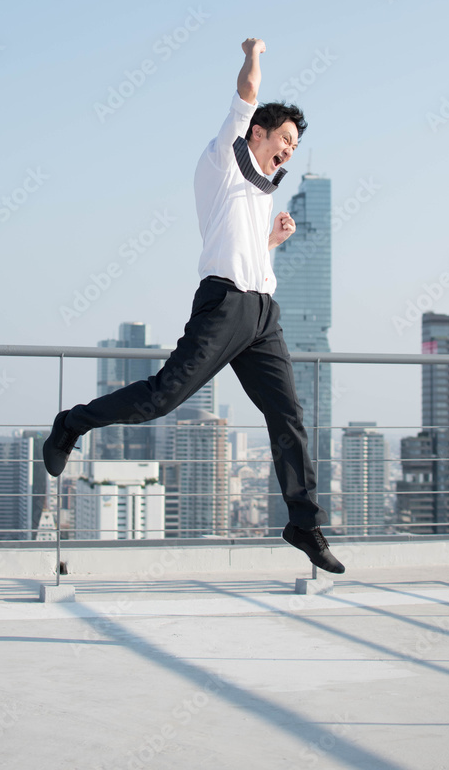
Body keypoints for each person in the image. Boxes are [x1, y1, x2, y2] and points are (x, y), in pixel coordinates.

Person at [43, 38, 344, 574]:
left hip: (262, 313)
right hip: (224, 305)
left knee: (289, 417)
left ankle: (304, 521)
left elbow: (237, 243)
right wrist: (254, 51)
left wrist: (271, 242)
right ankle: (71, 424)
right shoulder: (223, 159)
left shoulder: (260, 190)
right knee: (160, 399)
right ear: (256, 133)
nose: (289, 152)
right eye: (285, 140)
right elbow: (247, 91)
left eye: (295, 147)